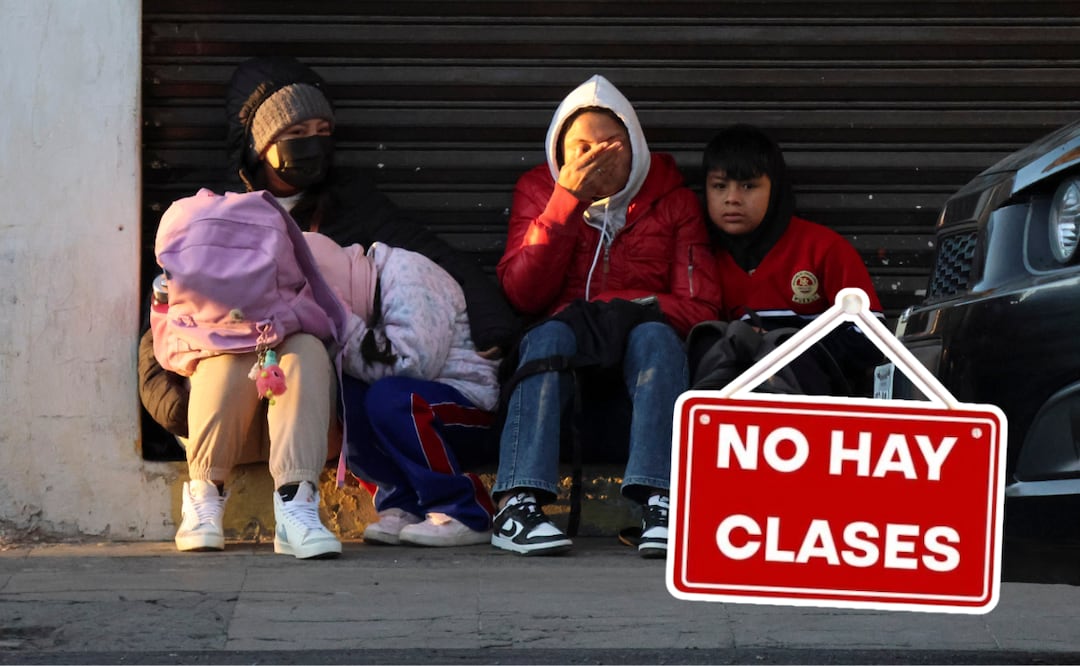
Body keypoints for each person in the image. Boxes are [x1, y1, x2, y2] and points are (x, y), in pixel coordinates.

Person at [138, 55, 519, 555]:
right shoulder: (216, 215)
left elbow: (431, 260)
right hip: (221, 406)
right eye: (297, 131)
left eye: (323, 129)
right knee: (226, 352)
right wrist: (178, 408)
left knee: (312, 347)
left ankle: (297, 503)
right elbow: (173, 317)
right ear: (258, 143)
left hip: (311, 396)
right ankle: (205, 496)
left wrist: (494, 327)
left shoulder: (352, 208)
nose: (313, 143)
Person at [490, 75, 722, 558]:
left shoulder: (673, 200)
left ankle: (660, 501)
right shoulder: (539, 189)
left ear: (634, 145)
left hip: (639, 383)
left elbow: (701, 305)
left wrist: (625, 310)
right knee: (547, 335)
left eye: (608, 145)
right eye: (581, 147)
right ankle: (518, 503)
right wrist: (564, 202)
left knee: (656, 338)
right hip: (564, 376)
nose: (594, 157)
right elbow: (523, 293)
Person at [304, 232, 500, 547]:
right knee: (349, 389)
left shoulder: (409, 277)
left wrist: (344, 325)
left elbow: (411, 365)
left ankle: (465, 511)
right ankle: (402, 501)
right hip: (419, 411)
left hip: (467, 407)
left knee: (392, 399)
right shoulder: (371, 287)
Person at [693, 123, 884, 395]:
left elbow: (871, 340)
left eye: (749, 186)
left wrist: (785, 343)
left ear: (776, 189)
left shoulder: (823, 248)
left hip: (809, 406)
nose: (732, 199)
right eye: (720, 186)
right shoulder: (699, 256)